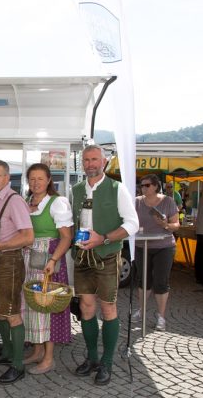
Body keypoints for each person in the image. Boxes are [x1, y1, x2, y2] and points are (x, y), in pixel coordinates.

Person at [71, 145, 139, 385]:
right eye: (86, 160)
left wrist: (104, 238)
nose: (90, 164)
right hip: (82, 256)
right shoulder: (76, 190)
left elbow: (132, 223)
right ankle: (92, 358)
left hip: (107, 255)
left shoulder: (117, 188)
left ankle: (107, 362)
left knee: (108, 308)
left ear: (104, 162)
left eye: (94, 159)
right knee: (86, 307)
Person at [0, 159, 34, 385]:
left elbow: (28, 237)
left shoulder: (14, 201)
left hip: (9, 261)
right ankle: (7, 352)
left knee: (11, 313)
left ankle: (18, 365)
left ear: (7, 177)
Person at [21, 163, 73, 375]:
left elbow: (67, 237)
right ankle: (37, 351)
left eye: (40, 179)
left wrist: (53, 260)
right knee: (32, 305)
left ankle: (49, 358)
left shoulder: (57, 202)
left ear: (49, 180)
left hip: (48, 260)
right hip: (29, 258)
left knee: (47, 307)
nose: (35, 183)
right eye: (32, 179)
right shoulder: (27, 202)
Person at [133, 174, 180, 331]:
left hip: (164, 246)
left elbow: (176, 224)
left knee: (161, 282)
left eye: (146, 185)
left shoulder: (168, 201)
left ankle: (161, 317)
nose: (143, 188)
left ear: (155, 186)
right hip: (142, 245)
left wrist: (165, 224)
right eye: (141, 185)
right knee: (143, 280)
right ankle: (141, 310)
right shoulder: (137, 202)